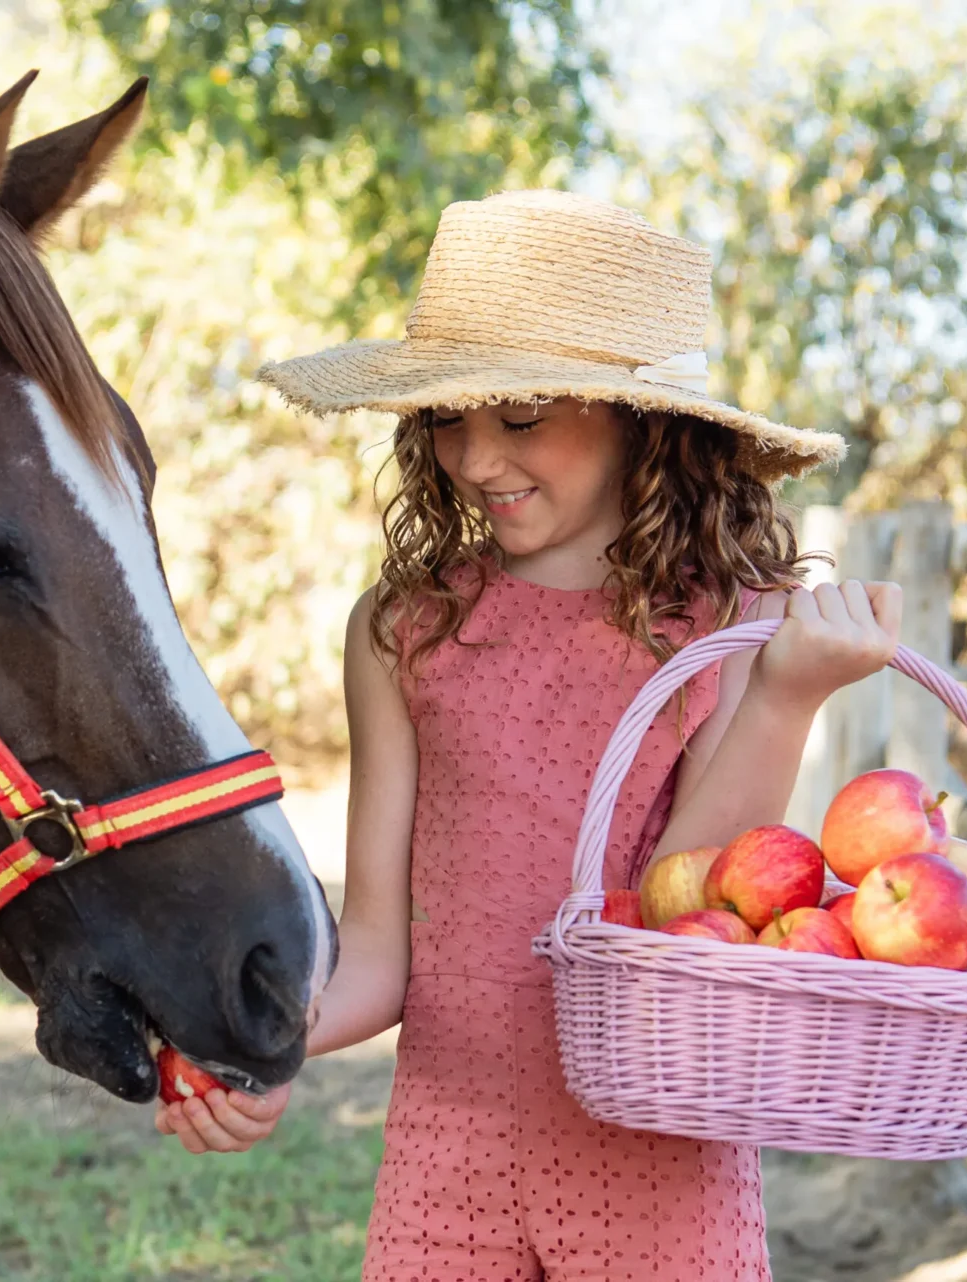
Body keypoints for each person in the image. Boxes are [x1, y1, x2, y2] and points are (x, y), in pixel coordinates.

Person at [156, 189, 900, 1280]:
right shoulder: (405, 632)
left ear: (641, 419)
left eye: (517, 417)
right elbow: (375, 951)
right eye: (449, 418)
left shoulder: (735, 624)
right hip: (447, 1160)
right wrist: (262, 1049)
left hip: (657, 1165)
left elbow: (678, 911)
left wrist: (786, 697)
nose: (473, 457)